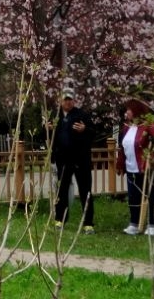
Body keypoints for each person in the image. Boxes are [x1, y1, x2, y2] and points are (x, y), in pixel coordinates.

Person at [50, 88, 95, 233]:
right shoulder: (54, 115)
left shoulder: (82, 115)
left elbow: (93, 133)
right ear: (60, 100)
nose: (67, 102)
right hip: (62, 160)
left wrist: (84, 129)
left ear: (73, 101)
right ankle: (60, 220)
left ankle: (88, 223)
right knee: (61, 191)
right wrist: (47, 129)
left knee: (85, 190)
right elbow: (45, 136)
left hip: (81, 160)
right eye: (65, 99)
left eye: (70, 99)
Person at [116, 98, 154, 236]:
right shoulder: (126, 128)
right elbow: (122, 148)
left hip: (145, 167)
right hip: (131, 168)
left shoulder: (149, 125)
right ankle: (134, 223)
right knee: (133, 196)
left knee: (149, 194)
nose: (127, 113)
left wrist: (152, 157)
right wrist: (120, 164)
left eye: (129, 110)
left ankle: (152, 224)